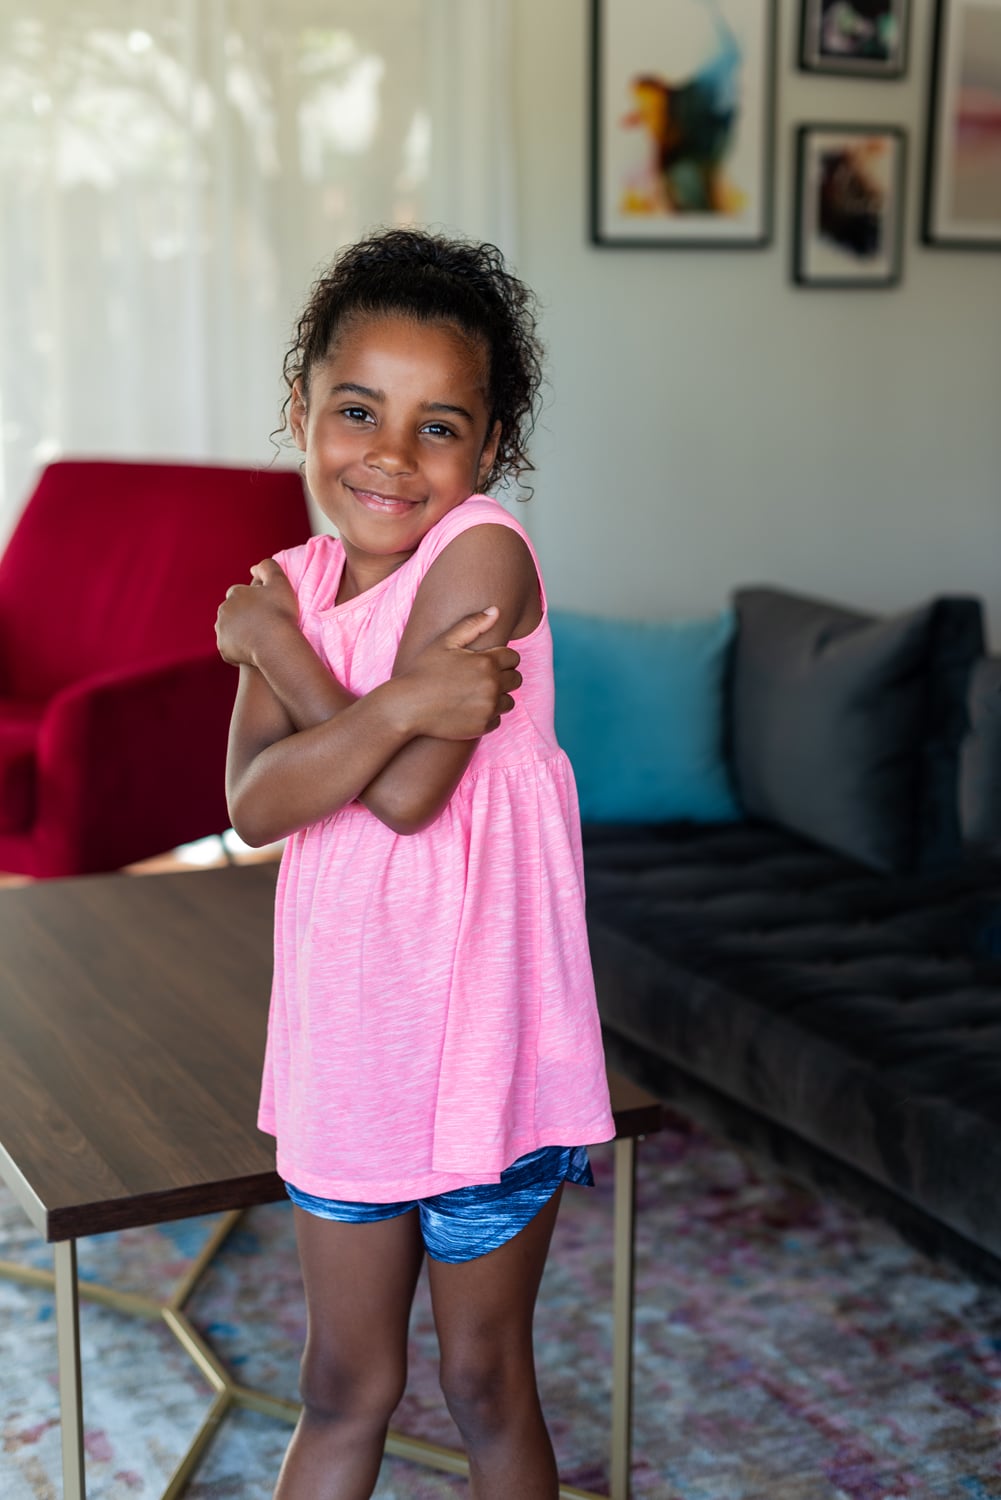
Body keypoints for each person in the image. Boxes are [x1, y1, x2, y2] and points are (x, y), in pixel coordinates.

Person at [215, 226, 615, 1500]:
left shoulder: (482, 553)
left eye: (436, 426)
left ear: (487, 450)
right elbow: (255, 803)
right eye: (356, 411)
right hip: (348, 1061)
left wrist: (280, 654)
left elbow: (403, 794)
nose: (389, 455)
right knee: (344, 1386)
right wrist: (392, 697)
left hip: (489, 1058)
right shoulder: (292, 581)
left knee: (484, 1383)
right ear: (301, 413)